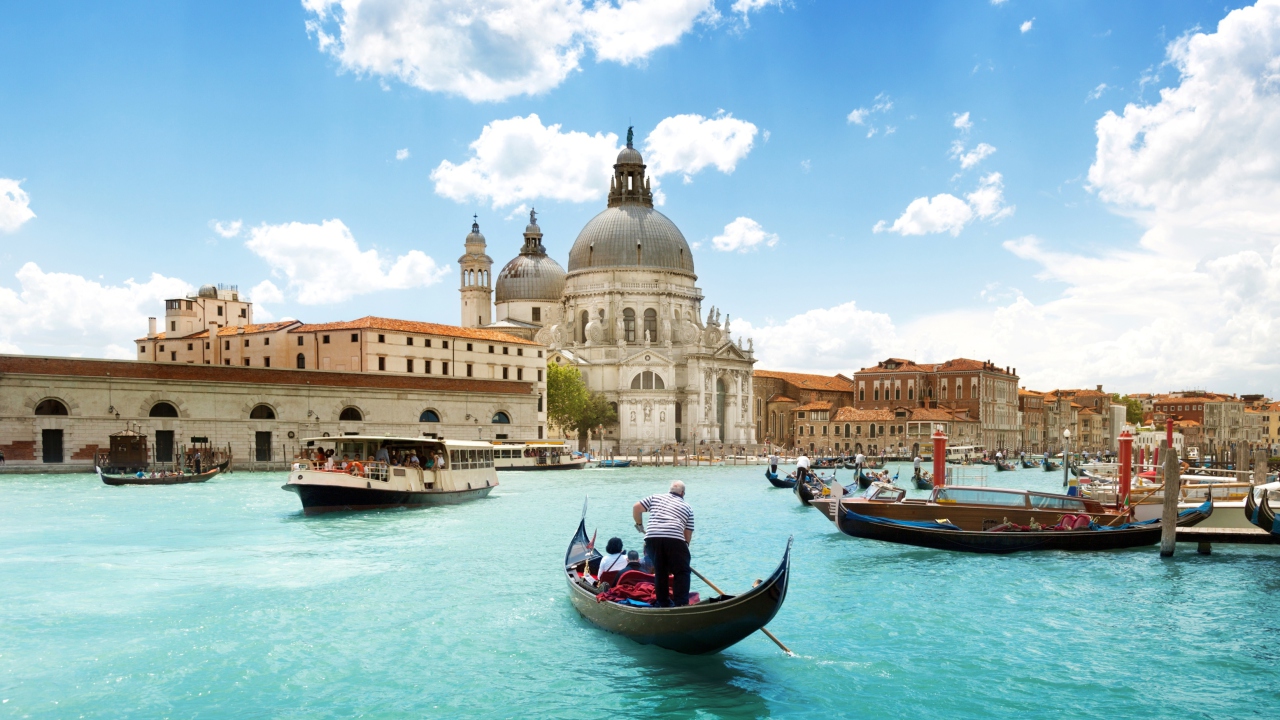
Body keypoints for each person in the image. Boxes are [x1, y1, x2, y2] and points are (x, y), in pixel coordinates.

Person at [633, 481, 695, 607]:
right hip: (675, 539)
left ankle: (663, 603)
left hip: (652, 538)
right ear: (683, 493)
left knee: (661, 571)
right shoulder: (687, 507)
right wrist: (684, 549)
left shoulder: (655, 498)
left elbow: (636, 508)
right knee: (682, 571)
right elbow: (687, 533)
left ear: (670, 490)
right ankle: (681, 603)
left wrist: (639, 525)